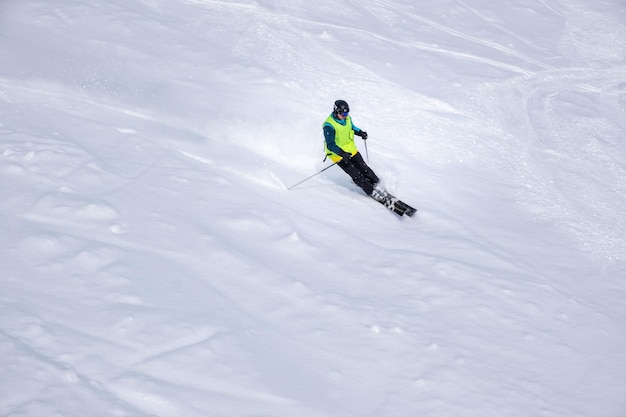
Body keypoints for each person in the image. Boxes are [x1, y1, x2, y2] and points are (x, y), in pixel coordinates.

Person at [323, 99, 380, 196]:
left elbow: (351, 127)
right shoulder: (329, 125)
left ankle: (378, 184)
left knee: (364, 167)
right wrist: (341, 153)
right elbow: (330, 144)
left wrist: (360, 132)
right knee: (356, 174)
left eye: (346, 114)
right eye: (343, 115)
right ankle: (371, 191)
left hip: (351, 150)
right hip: (338, 154)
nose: (345, 117)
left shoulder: (347, 118)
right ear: (336, 112)